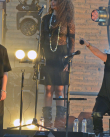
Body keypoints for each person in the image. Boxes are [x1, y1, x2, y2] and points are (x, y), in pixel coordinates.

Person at [40, 0, 75, 129]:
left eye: (55, 0)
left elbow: (72, 40)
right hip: (48, 55)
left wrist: (68, 60)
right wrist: (40, 56)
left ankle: (59, 120)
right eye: (51, 0)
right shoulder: (45, 19)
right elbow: (42, 39)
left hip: (61, 56)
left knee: (59, 89)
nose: (52, 2)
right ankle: (47, 121)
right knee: (48, 88)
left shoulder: (67, 19)